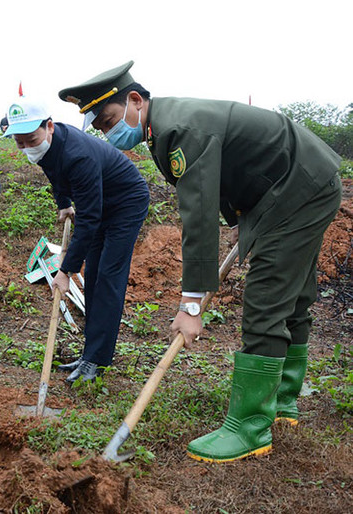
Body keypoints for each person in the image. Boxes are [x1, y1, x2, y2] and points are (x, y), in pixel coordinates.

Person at [60, 61, 342, 462]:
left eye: (107, 120)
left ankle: (249, 428)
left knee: (267, 296)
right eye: (102, 128)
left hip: (297, 190)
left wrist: (190, 307)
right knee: (291, 295)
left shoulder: (179, 130)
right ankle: (282, 403)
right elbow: (218, 182)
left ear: (135, 101)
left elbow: (198, 215)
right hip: (293, 184)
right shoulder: (164, 127)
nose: (108, 133)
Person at [4, 96, 149, 383]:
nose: (26, 148)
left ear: (49, 126)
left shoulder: (77, 154)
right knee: (93, 275)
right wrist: (63, 203)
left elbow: (90, 220)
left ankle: (96, 360)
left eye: (31, 139)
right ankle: (90, 354)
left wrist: (66, 270)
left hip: (125, 202)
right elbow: (55, 174)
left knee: (107, 276)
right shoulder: (47, 147)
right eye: (19, 142)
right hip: (98, 201)